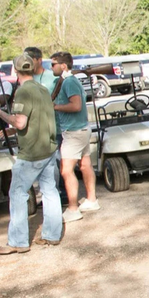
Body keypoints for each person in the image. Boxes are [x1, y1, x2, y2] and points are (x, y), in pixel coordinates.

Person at [0, 54, 62, 254]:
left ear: (15, 71)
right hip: (49, 148)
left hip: (32, 153)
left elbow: (20, 122)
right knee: (50, 191)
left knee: (17, 194)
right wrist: (14, 130)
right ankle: (52, 235)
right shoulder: (42, 89)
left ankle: (18, 242)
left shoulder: (23, 92)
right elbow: (35, 120)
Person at [50, 51, 98, 223]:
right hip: (82, 129)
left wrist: (55, 107)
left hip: (73, 132)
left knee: (66, 170)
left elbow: (76, 106)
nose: (51, 67)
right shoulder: (70, 81)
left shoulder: (69, 82)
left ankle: (72, 208)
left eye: (53, 64)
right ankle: (91, 199)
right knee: (85, 165)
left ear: (63, 65)